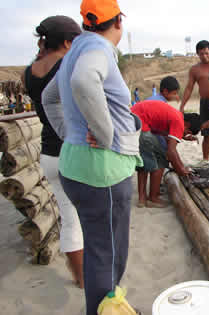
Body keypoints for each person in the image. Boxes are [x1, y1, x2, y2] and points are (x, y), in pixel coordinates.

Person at [42, 0, 142, 314]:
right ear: (117, 23)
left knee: (100, 250)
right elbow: (84, 81)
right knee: (107, 255)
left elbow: (49, 98)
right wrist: (105, 134)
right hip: (103, 172)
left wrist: (67, 132)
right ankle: (105, 309)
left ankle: (109, 305)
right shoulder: (98, 49)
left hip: (76, 165)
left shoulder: (74, 52)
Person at [22, 15, 84, 288]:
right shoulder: (68, 66)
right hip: (74, 151)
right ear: (69, 42)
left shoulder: (29, 70)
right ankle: (92, 276)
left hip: (49, 154)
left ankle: (80, 278)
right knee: (90, 218)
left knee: (69, 219)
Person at [131, 99, 201, 207]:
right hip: (141, 126)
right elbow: (171, 151)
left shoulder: (175, 115)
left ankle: (142, 199)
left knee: (144, 162)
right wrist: (182, 170)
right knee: (162, 158)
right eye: (187, 132)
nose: (185, 133)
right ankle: (153, 198)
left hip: (133, 122)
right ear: (187, 124)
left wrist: (181, 136)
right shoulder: (179, 122)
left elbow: (164, 134)